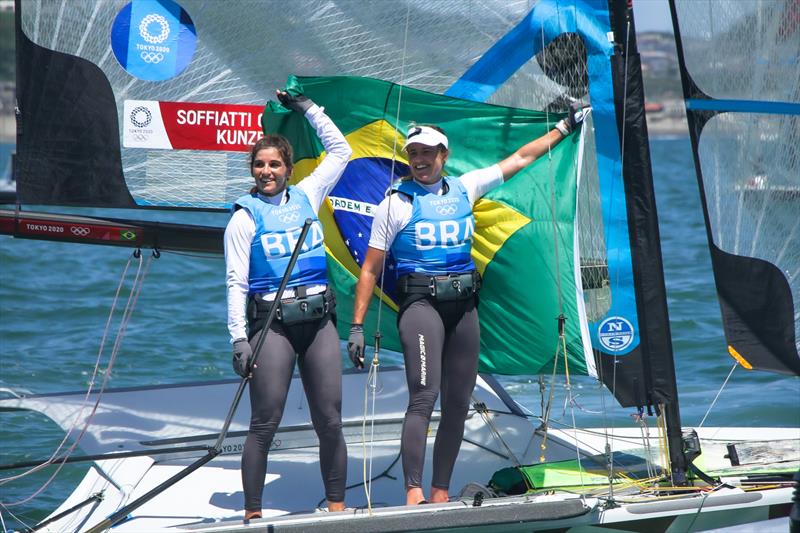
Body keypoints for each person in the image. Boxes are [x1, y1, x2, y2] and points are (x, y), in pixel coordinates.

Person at [347, 104, 588, 506]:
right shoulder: (395, 203)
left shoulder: (467, 186)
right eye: (413, 153)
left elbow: (521, 159)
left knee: (458, 403)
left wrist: (564, 126)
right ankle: (413, 491)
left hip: (463, 307)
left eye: (428, 152)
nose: (420, 160)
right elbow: (370, 270)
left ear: (444, 155)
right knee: (424, 397)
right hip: (420, 305)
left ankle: (440, 491)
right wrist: (356, 327)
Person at [224, 90, 353, 519]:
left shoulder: (308, 194)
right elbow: (235, 283)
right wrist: (239, 340)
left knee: (330, 421)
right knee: (265, 422)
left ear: (288, 169)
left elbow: (341, 150)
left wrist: (309, 108)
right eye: (260, 165)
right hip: (272, 326)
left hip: (318, 322)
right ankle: (252, 513)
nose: (266, 171)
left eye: (274, 164)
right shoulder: (244, 217)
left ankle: (337, 508)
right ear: (252, 169)